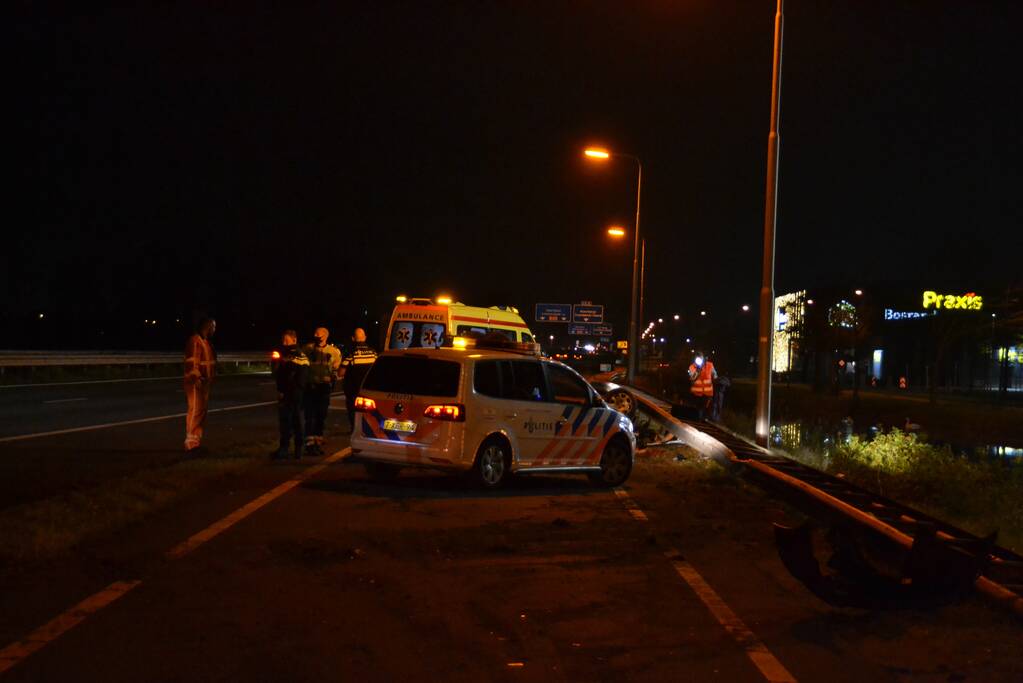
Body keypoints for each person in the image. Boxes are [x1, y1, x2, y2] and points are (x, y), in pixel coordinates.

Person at [303, 326, 341, 456]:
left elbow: (336, 369)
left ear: (326, 336)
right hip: (310, 387)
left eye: (320, 335)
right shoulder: (307, 349)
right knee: (309, 416)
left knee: (320, 416)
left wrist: (331, 377)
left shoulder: (334, 351)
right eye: (315, 334)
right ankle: (309, 444)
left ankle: (318, 442)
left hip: (324, 388)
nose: (317, 337)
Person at [272, 329, 309, 460]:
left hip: (290, 393)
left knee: (286, 422)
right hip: (299, 393)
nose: (284, 343)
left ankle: (284, 449)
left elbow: (283, 376)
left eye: (286, 340)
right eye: (283, 340)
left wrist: (282, 391)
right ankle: (298, 450)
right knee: (297, 421)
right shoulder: (302, 355)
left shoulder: (290, 355)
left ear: (294, 340)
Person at [183, 317, 216, 453]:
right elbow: (192, 361)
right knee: (196, 410)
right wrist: (196, 377)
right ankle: (190, 443)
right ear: (207, 326)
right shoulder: (195, 341)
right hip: (196, 382)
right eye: (213, 326)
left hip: (205, 382)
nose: (215, 329)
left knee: (201, 412)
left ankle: (196, 441)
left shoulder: (207, 343)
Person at [340, 327, 378, 430]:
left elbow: (341, 372)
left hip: (353, 390)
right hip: (369, 390)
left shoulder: (351, 354)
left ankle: (355, 430)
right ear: (365, 338)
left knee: (353, 412)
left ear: (353, 338)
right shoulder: (373, 353)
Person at [687, 350, 717, 420]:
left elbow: (715, 375)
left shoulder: (710, 365)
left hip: (707, 393)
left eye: (700, 358)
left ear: (703, 358)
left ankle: (703, 419)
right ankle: (697, 420)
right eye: (697, 358)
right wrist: (697, 370)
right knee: (697, 411)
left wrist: (717, 380)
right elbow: (692, 378)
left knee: (704, 411)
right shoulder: (692, 367)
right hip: (696, 394)